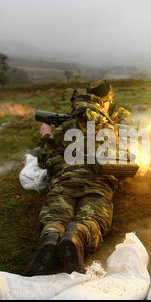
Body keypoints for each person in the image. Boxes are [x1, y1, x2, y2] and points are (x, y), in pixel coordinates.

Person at [25, 83, 126, 276]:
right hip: (96, 184)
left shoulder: (65, 126)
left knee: (54, 217)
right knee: (93, 219)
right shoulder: (109, 129)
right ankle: (76, 236)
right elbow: (120, 159)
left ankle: (50, 239)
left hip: (65, 181)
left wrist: (45, 136)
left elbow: (44, 157)